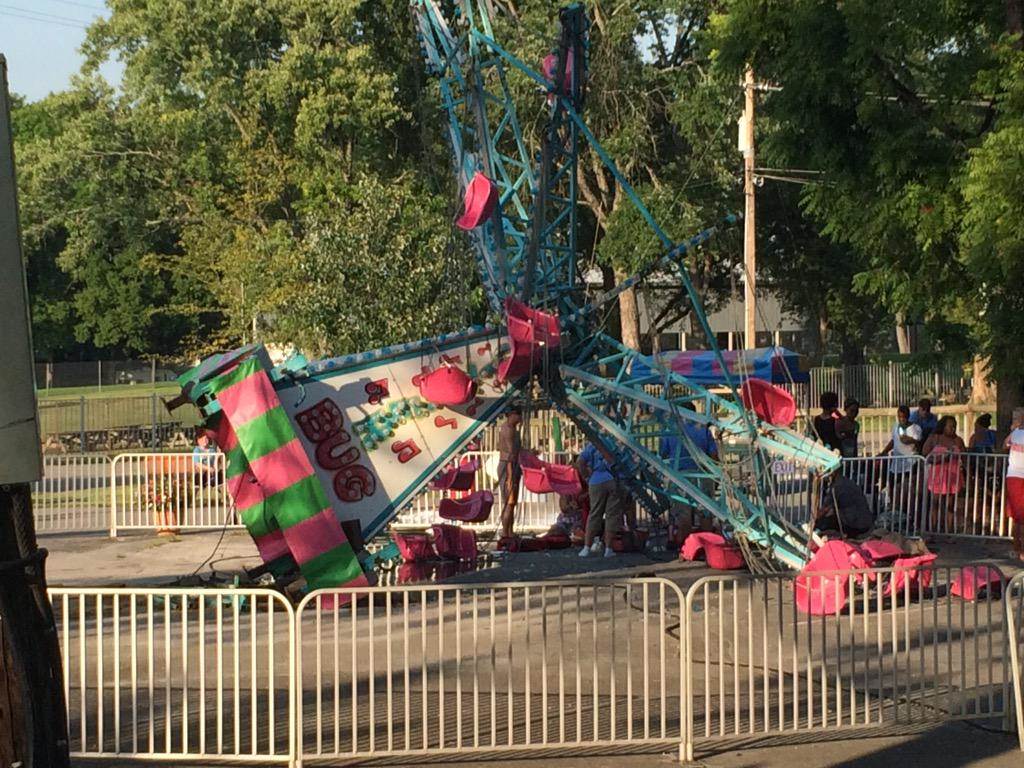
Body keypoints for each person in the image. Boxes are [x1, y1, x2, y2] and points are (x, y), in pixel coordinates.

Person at [659, 404, 719, 540]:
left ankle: (684, 548)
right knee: (705, 513)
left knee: (682, 515)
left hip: (680, 477)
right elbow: (714, 455)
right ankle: (708, 545)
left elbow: (662, 454)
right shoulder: (704, 431)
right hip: (703, 475)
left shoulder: (671, 431)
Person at [878, 405, 922, 525]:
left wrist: (910, 440)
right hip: (896, 464)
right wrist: (883, 452)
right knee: (893, 487)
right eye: (900, 416)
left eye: (904, 416)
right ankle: (895, 512)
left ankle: (910, 516)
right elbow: (894, 441)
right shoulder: (895, 427)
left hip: (910, 463)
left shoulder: (915, 428)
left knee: (908, 489)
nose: (901, 419)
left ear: (908, 416)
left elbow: (917, 441)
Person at [577, 440, 622, 558]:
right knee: (611, 515)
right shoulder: (614, 443)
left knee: (594, 514)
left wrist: (587, 477)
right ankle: (608, 549)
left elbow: (580, 462)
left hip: (595, 480)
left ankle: (586, 547)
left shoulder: (591, 445)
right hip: (613, 479)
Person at [922, 415, 966, 533]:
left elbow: (966, 458)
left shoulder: (958, 440)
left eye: (955, 426)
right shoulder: (934, 438)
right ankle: (932, 530)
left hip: (953, 476)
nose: (953, 429)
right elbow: (925, 455)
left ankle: (949, 531)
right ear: (943, 426)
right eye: (950, 426)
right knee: (935, 504)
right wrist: (941, 458)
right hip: (938, 476)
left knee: (950, 505)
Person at [814, 470, 876, 539]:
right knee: (831, 518)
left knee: (823, 523)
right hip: (866, 522)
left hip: (855, 524)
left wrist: (814, 521)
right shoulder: (848, 482)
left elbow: (824, 510)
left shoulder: (836, 487)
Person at [496, 406, 523, 540]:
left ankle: (510, 531)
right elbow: (512, 453)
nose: (520, 419)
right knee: (509, 501)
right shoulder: (508, 430)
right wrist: (511, 475)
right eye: (518, 415)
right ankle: (506, 532)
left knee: (512, 502)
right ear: (512, 415)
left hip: (512, 464)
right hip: (508, 465)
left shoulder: (513, 429)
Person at [1003, 409, 1024, 560]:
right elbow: (1005, 444)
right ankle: (1018, 548)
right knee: (1019, 516)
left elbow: (1005, 445)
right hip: (1016, 476)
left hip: (1014, 476)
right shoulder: (1017, 433)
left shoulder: (1016, 433)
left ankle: (1018, 547)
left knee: (1018, 516)